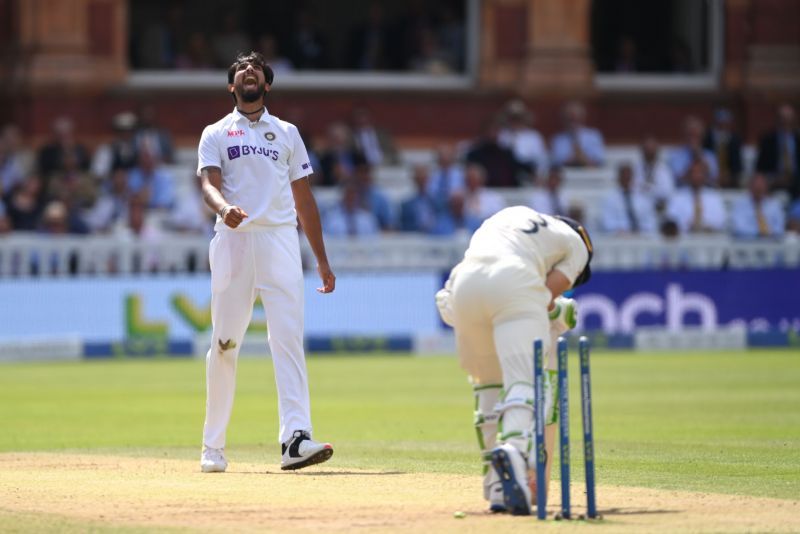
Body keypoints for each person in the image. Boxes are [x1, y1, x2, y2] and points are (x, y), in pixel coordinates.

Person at [196, 51, 336, 473]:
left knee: (288, 339)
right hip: (234, 241)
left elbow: (304, 200)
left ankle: (295, 439)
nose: (248, 70)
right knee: (225, 344)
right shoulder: (216, 132)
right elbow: (207, 183)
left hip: (279, 241)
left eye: (255, 66)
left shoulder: (287, 132)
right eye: (240, 68)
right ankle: (213, 446)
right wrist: (224, 211)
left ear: (267, 83)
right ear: (231, 86)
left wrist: (322, 262)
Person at [435, 206, 592, 515]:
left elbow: (448, 300)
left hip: (461, 286)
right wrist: (563, 313)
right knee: (526, 380)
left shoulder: (509, 219)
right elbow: (545, 297)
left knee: (488, 386)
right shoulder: (576, 245)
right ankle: (515, 452)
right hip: (513, 280)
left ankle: (496, 485)